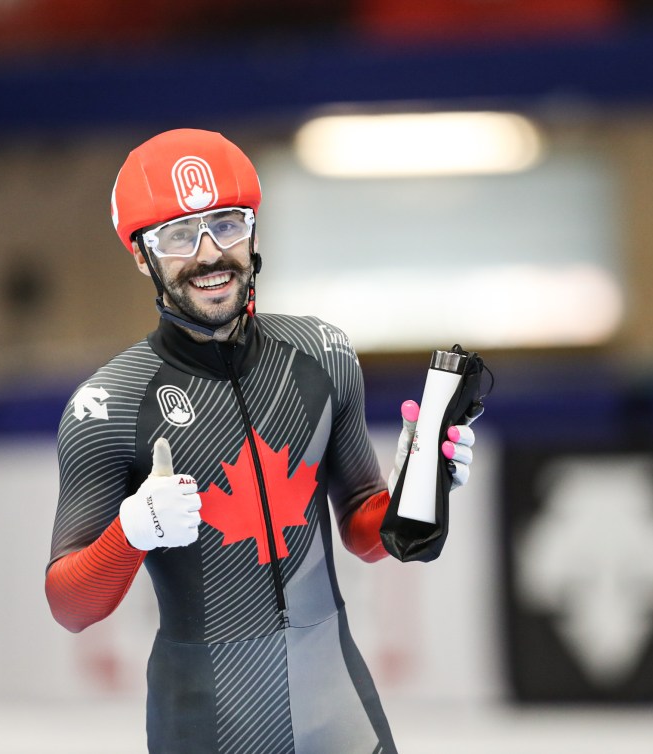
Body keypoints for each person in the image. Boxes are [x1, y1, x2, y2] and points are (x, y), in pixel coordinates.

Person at [44, 129, 477, 753]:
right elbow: (70, 607)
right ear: (141, 256)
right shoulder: (109, 405)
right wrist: (131, 532)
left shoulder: (321, 353)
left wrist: (419, 484)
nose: (209, 254)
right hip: (207, 721)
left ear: (253, 228)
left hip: (338, 705)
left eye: (226, 223)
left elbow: (363, 528)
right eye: (177, 235)